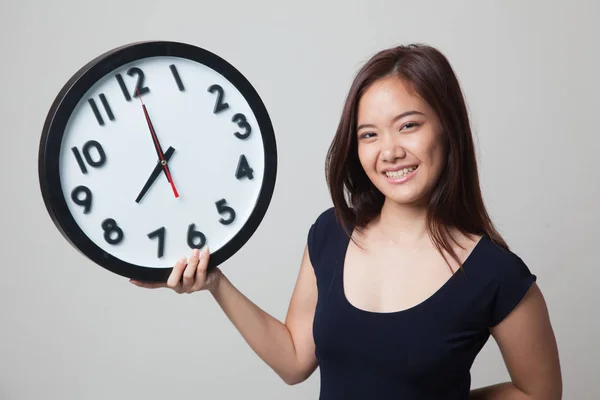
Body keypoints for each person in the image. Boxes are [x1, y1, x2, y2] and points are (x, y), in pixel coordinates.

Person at [131, 43, 562, 399]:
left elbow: (540, 394)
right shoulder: (330, 232)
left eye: (408, 125)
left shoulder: (496, 274)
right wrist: (215, 283)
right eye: (369, 134)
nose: (389, 151)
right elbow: (295, 359)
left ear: (447, 130)